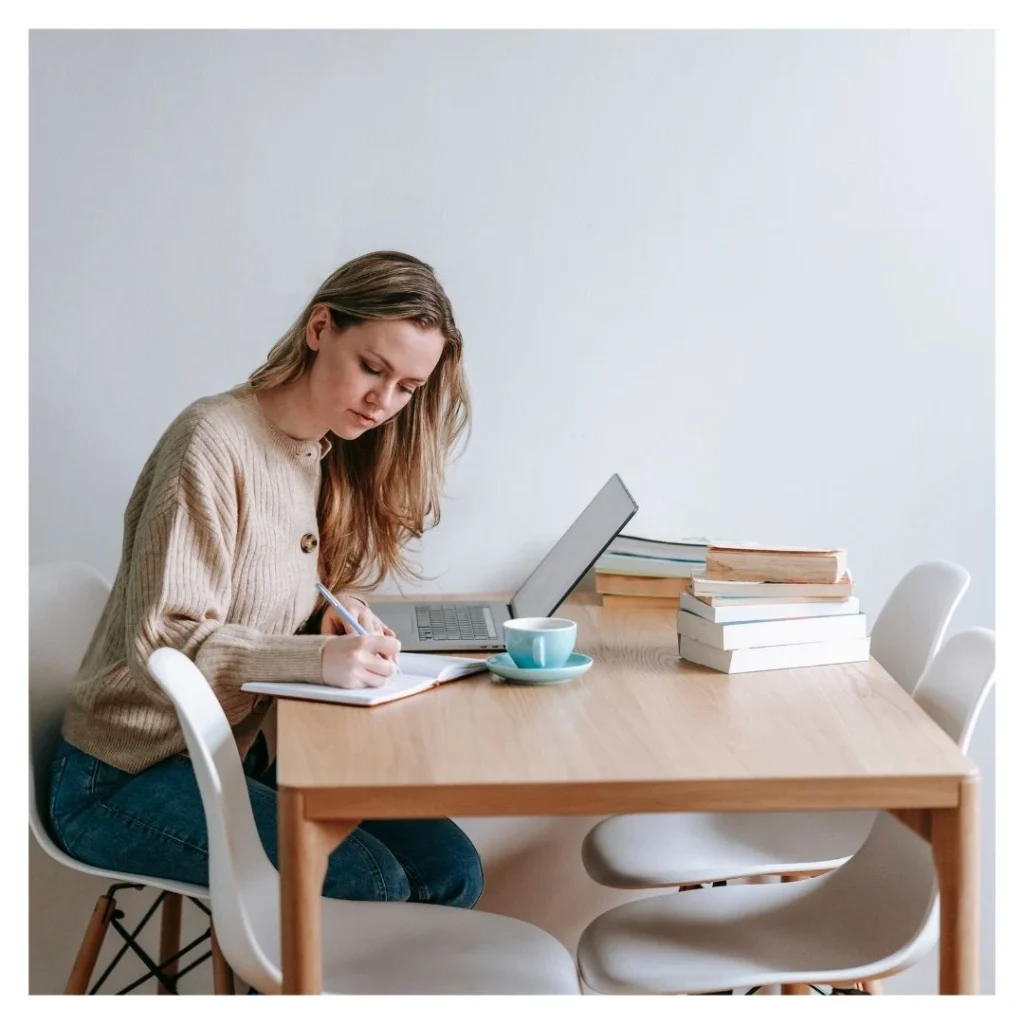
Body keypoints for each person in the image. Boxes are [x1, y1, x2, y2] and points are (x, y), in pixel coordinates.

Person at [49, 251, 483, 908]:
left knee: (451, 868)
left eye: (407, 388)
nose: (383, 401)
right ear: (319, 329)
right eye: (373, 368)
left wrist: (333, 617)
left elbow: (271, 591)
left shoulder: (320, 451)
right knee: (367, 880)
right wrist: (316, 657)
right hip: (123, 775)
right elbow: (163, 640)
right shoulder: (212, 443)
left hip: (231, 755)